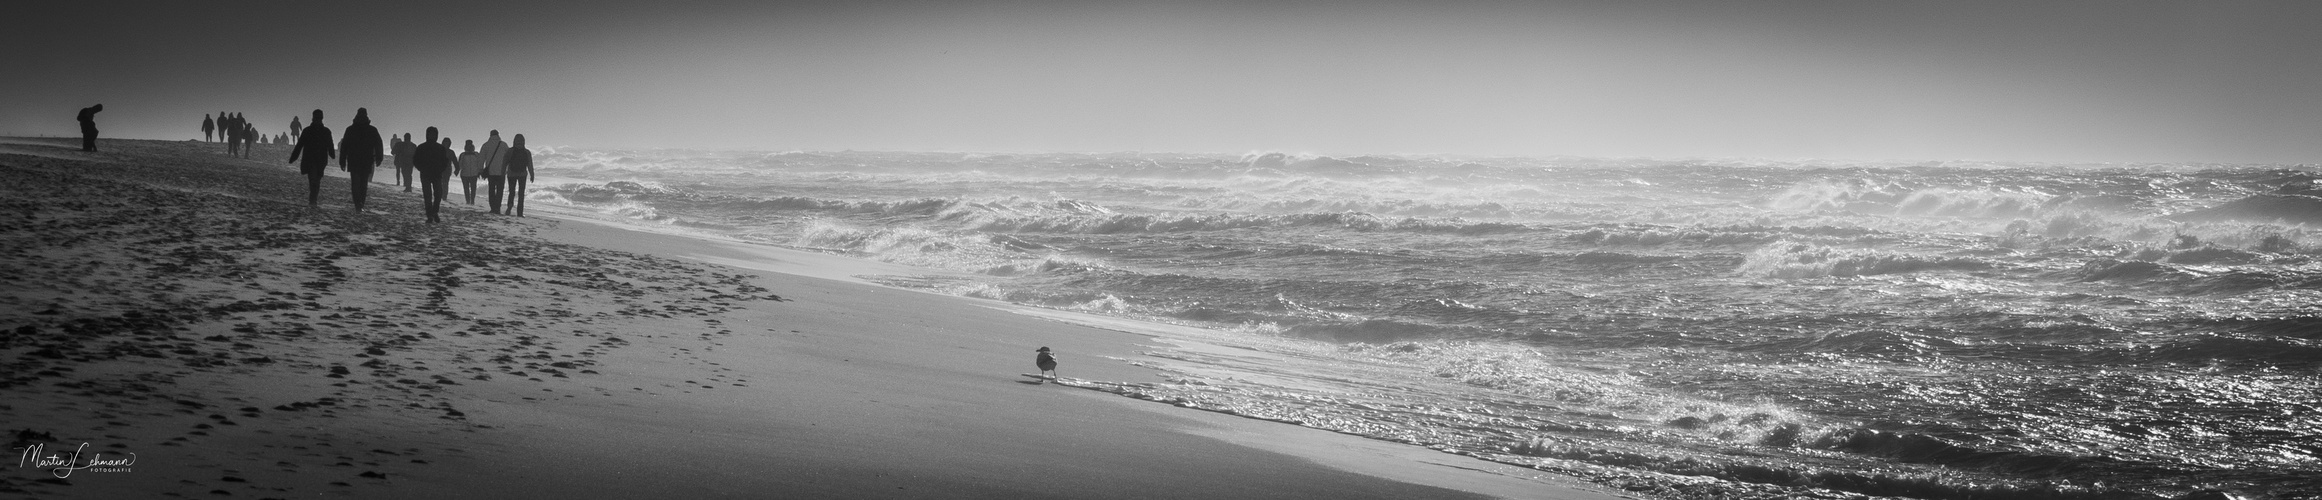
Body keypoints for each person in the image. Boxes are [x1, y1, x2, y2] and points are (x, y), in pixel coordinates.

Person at [338, 108, 385, 213]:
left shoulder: (350, 129)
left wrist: (342, 160)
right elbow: (379, 144)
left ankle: (358, 205)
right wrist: (379, 157)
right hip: (366, 160)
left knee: (356, 183)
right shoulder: (372, 130)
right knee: (363, 184)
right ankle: (360, 205)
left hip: (354, 160)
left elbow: (344, 146)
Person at [286, 110, 335, 208]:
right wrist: (293, 157)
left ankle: (313, 199)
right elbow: (300, 145)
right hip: (312, 160)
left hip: (318, 160)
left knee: (315, 180)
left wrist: (332, 153)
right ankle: (313, 200)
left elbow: (330, 145)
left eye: (319, 118)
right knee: (314, 180)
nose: (318, 120)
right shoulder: (311, 131)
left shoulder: (314, 131)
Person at [412, 128, 454, 223]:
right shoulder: (421, 147)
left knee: (438, 194)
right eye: (430, 134)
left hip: (437, 174)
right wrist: (422, 168)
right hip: (426, 174)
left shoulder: (440, 148)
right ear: (427, 135)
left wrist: (440, 169)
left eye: (434, 134)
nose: (432, 136)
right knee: (428, 196)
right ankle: (429, 215)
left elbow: (445, 162)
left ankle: (434, 212)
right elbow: (416, 160)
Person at [478, 130, 509, 214]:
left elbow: (481, 158)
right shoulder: (504, 145)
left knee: (491, 190)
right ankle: (497, 208)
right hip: (501, 171)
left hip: (491, 171)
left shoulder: (486, 145)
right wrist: (508, 169)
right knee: (500, 190)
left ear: (490, 135)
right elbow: (508, 157)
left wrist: (480, 169)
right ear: (498, 135)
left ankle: (492, 208)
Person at [505, 134, 534, 217]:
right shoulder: (527, 152)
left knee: (512, 192)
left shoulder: (510, 151)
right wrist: (532, 175)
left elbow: (505, 162)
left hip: (511, 174)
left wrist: (503, 171)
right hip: (522, 174)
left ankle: (509, 206)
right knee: (521, 193)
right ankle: (520, 212)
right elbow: (530, 164)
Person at [457, 139, 482, 204]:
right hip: (473, 174)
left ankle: (469, 201)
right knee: (472, 189)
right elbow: (479, 164)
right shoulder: (476, 154)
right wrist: (479, 171)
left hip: (465, 174)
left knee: (467, 189)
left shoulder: (463, 155)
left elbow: (460, 165)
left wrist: (458, 170)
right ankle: (471, 201)